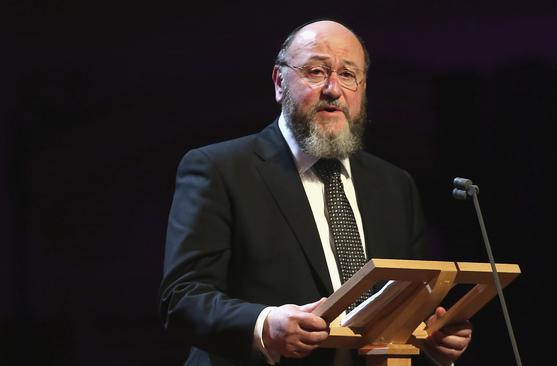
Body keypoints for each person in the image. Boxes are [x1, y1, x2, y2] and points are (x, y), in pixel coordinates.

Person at [160, 19, 472, 366]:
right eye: (315, 71)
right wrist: (264, 324)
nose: (332, 89)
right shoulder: (220, 169)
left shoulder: (396, 185)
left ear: (363, 88)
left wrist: (432, 332)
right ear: (280, 83)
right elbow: (183, 299)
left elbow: (405, 303)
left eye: (348, 74)